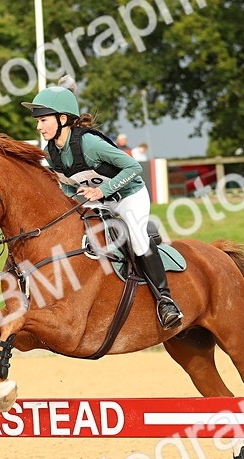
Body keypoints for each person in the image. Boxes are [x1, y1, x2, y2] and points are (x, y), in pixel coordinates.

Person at [21, 78, 183, 329]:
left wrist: (103, 189)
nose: (39, 127)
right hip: (99, 203)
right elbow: (66, 185)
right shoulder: (52, 152)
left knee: (138, 237)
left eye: (43, 120)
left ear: (62, 119)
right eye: (38, 122)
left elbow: (134, 166)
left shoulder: (88, 143)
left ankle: (165, 300)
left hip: (128, 196)